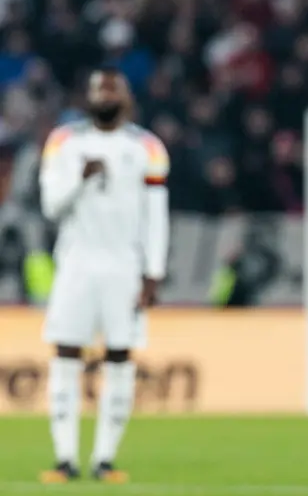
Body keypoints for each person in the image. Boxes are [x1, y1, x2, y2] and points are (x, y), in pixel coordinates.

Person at [37, 68, 170, 484]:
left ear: (126, 97)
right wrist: (80, 178)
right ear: (88, 96)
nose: (106, 96)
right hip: (76, 263)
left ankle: (104, 461)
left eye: (114, 89)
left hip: (123, 266)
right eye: (99, 89)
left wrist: (153, 272)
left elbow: (156, 216)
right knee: (66, 356)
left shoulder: (147, 147)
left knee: (120, 357)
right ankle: (64, 460)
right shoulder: (64, 142)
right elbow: (51, 206)